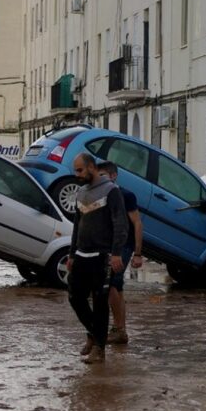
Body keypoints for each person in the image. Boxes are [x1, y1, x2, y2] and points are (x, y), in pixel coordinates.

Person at [67, 153, 128, 363]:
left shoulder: (112, 191)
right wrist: (71, 254)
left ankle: (99, 349)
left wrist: (117, 253)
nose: (77, 175)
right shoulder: (81, 192)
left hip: (103, 256)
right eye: (75, 171)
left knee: (101, 302)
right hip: (82, 255)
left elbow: (121, 224)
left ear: (91, 167)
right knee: (75, 297)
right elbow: (77, 225)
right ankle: (94, 333)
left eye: (80, 170)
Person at [97, 161, 143, 345]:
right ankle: (120, 330)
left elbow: (137, 223)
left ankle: (117, 329)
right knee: (117, 288)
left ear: (113, 176)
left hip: (123, 246)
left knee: (111, 285)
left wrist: (137, 253)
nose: (99, 180)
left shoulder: (126, 195)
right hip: (107, 246)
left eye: (102, 176)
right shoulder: (100, 195)